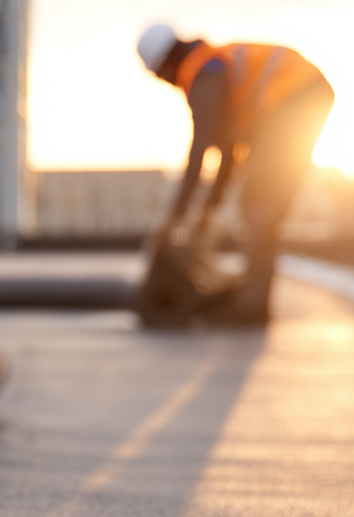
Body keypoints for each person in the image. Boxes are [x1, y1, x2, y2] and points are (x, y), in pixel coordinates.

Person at [134, 24, 334, 326]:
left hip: (294, 96)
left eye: (161, 75)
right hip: (300, 95)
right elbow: (227, 153)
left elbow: (200, 147)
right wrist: (206, 210)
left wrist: (177, 214)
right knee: (259, 201)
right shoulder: (214, 67)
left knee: (259, 202)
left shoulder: (205, 72)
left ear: (166, 62)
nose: (166, 82)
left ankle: (252, 306)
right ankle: (253, 299)